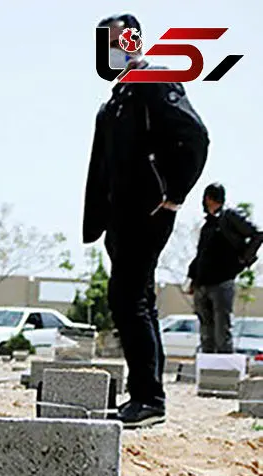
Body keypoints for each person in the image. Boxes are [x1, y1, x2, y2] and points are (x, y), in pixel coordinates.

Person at [84, 13, 209, 428]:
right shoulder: (118, 98)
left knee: (126, 300)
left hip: (147, 212)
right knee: (137, 302)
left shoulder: (154, 80)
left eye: (118, 41)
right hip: (119, 217)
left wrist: (174, 196)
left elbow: (195, 135)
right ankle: (145, 395)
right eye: (106, 44)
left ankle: (148, 399)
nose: (112, 49)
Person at [189, 183, 260, 354]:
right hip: (202, 283)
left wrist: (242, 260)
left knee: (222, 331)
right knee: (206, 332)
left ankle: (223, 372)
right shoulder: (209, 224)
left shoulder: (229, 217)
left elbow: (257, 234)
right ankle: (207, 367)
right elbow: (202, 253)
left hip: (222, 281)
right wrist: (193, 278)